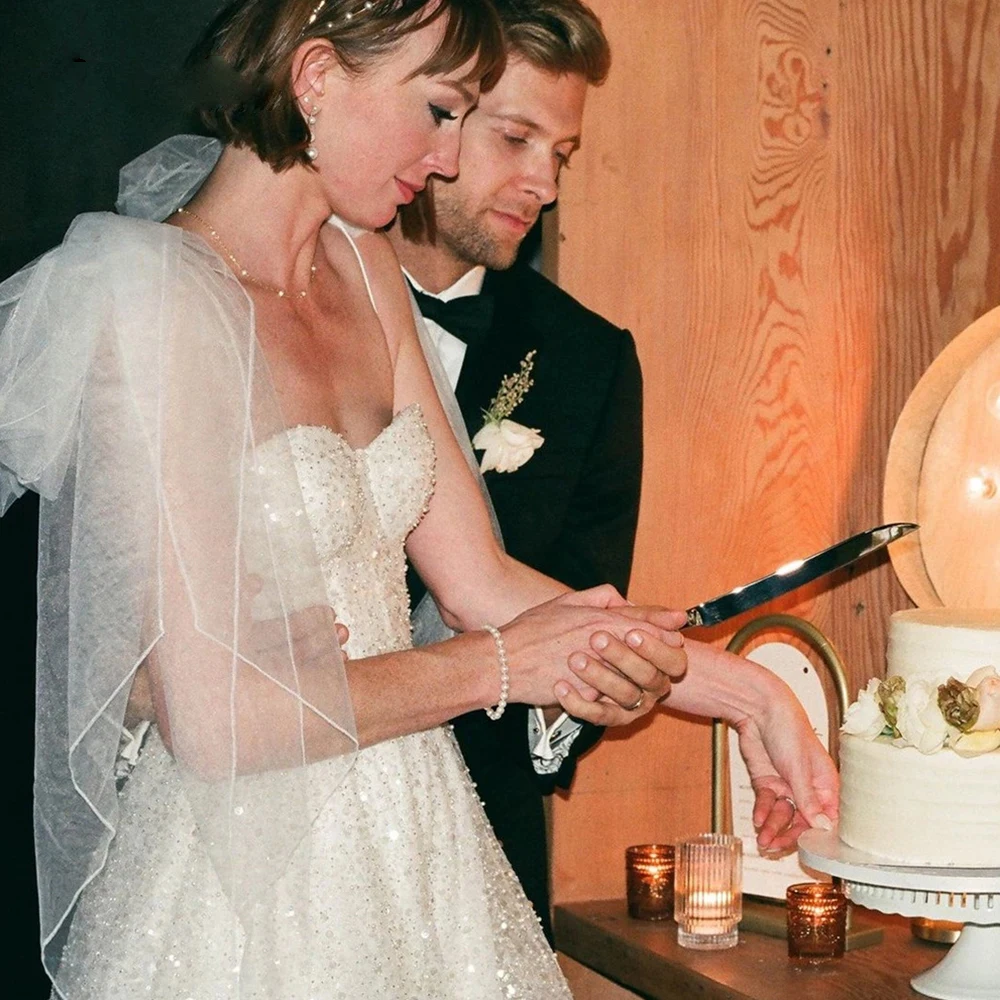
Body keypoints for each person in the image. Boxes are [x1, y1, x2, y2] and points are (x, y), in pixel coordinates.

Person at [0, 1, 836, 997]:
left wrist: (749, 694)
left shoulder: (366, 269)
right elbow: (216, 724)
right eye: (439, 111)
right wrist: (487, 667)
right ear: (315, 78)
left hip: (420, 839)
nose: (446, 160)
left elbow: (483, 582)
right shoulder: (148, 301)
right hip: (239, 884)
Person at [389, 0, 637, 940]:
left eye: (561, 154)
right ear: (434, 114)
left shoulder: (588, 363)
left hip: (476, 859)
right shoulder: (291, 312)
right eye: (517, 137)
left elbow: (585, 596)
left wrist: (599, 689)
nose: (545, 183)